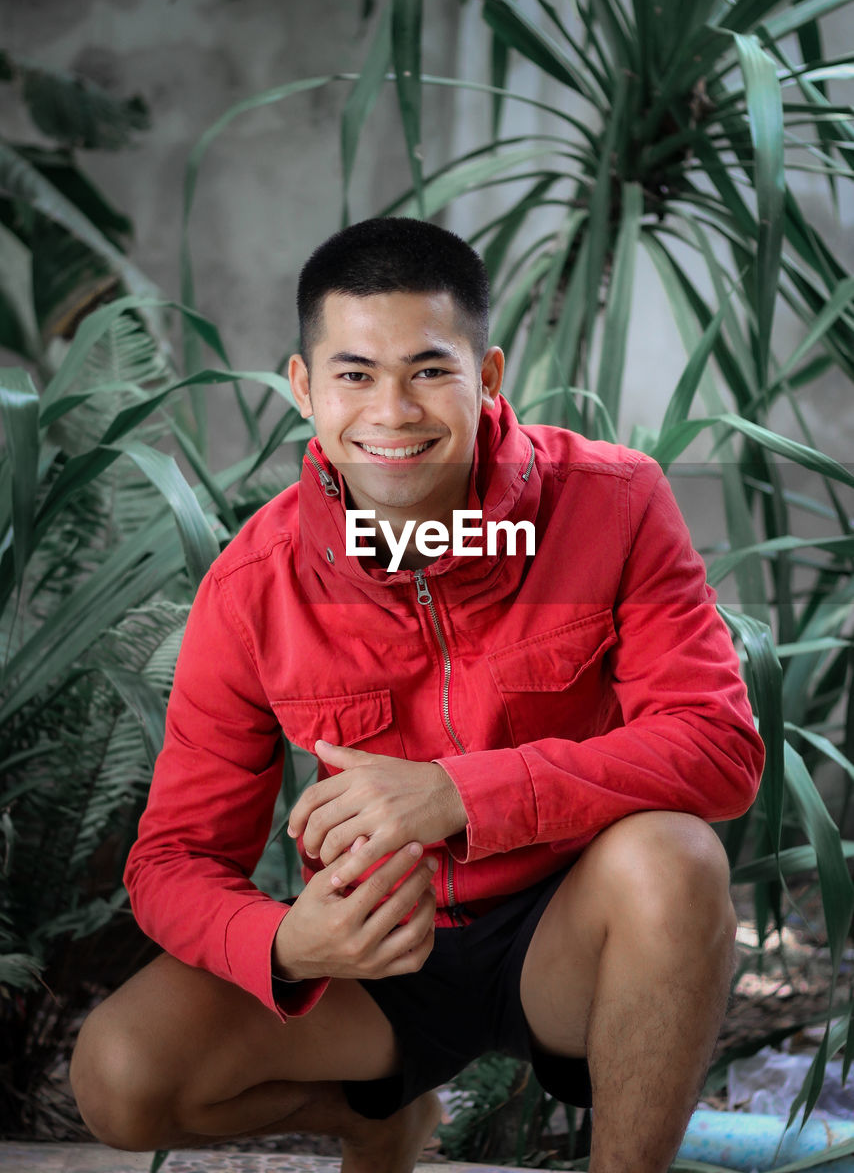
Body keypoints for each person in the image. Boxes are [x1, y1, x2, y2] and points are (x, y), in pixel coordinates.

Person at [70, 216, 764, 1173]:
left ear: (488, 377)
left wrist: (459, 793)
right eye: (354, 374)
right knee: (120, 1073)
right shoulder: (252, 587)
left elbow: (717, 749)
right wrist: (285, 944)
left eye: (430, 370)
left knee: (676, 856)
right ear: (304, 386)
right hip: (376, 961)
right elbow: (174, 859)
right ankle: (381, 1118)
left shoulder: (615, 503)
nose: (392, 411)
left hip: (569, 938)